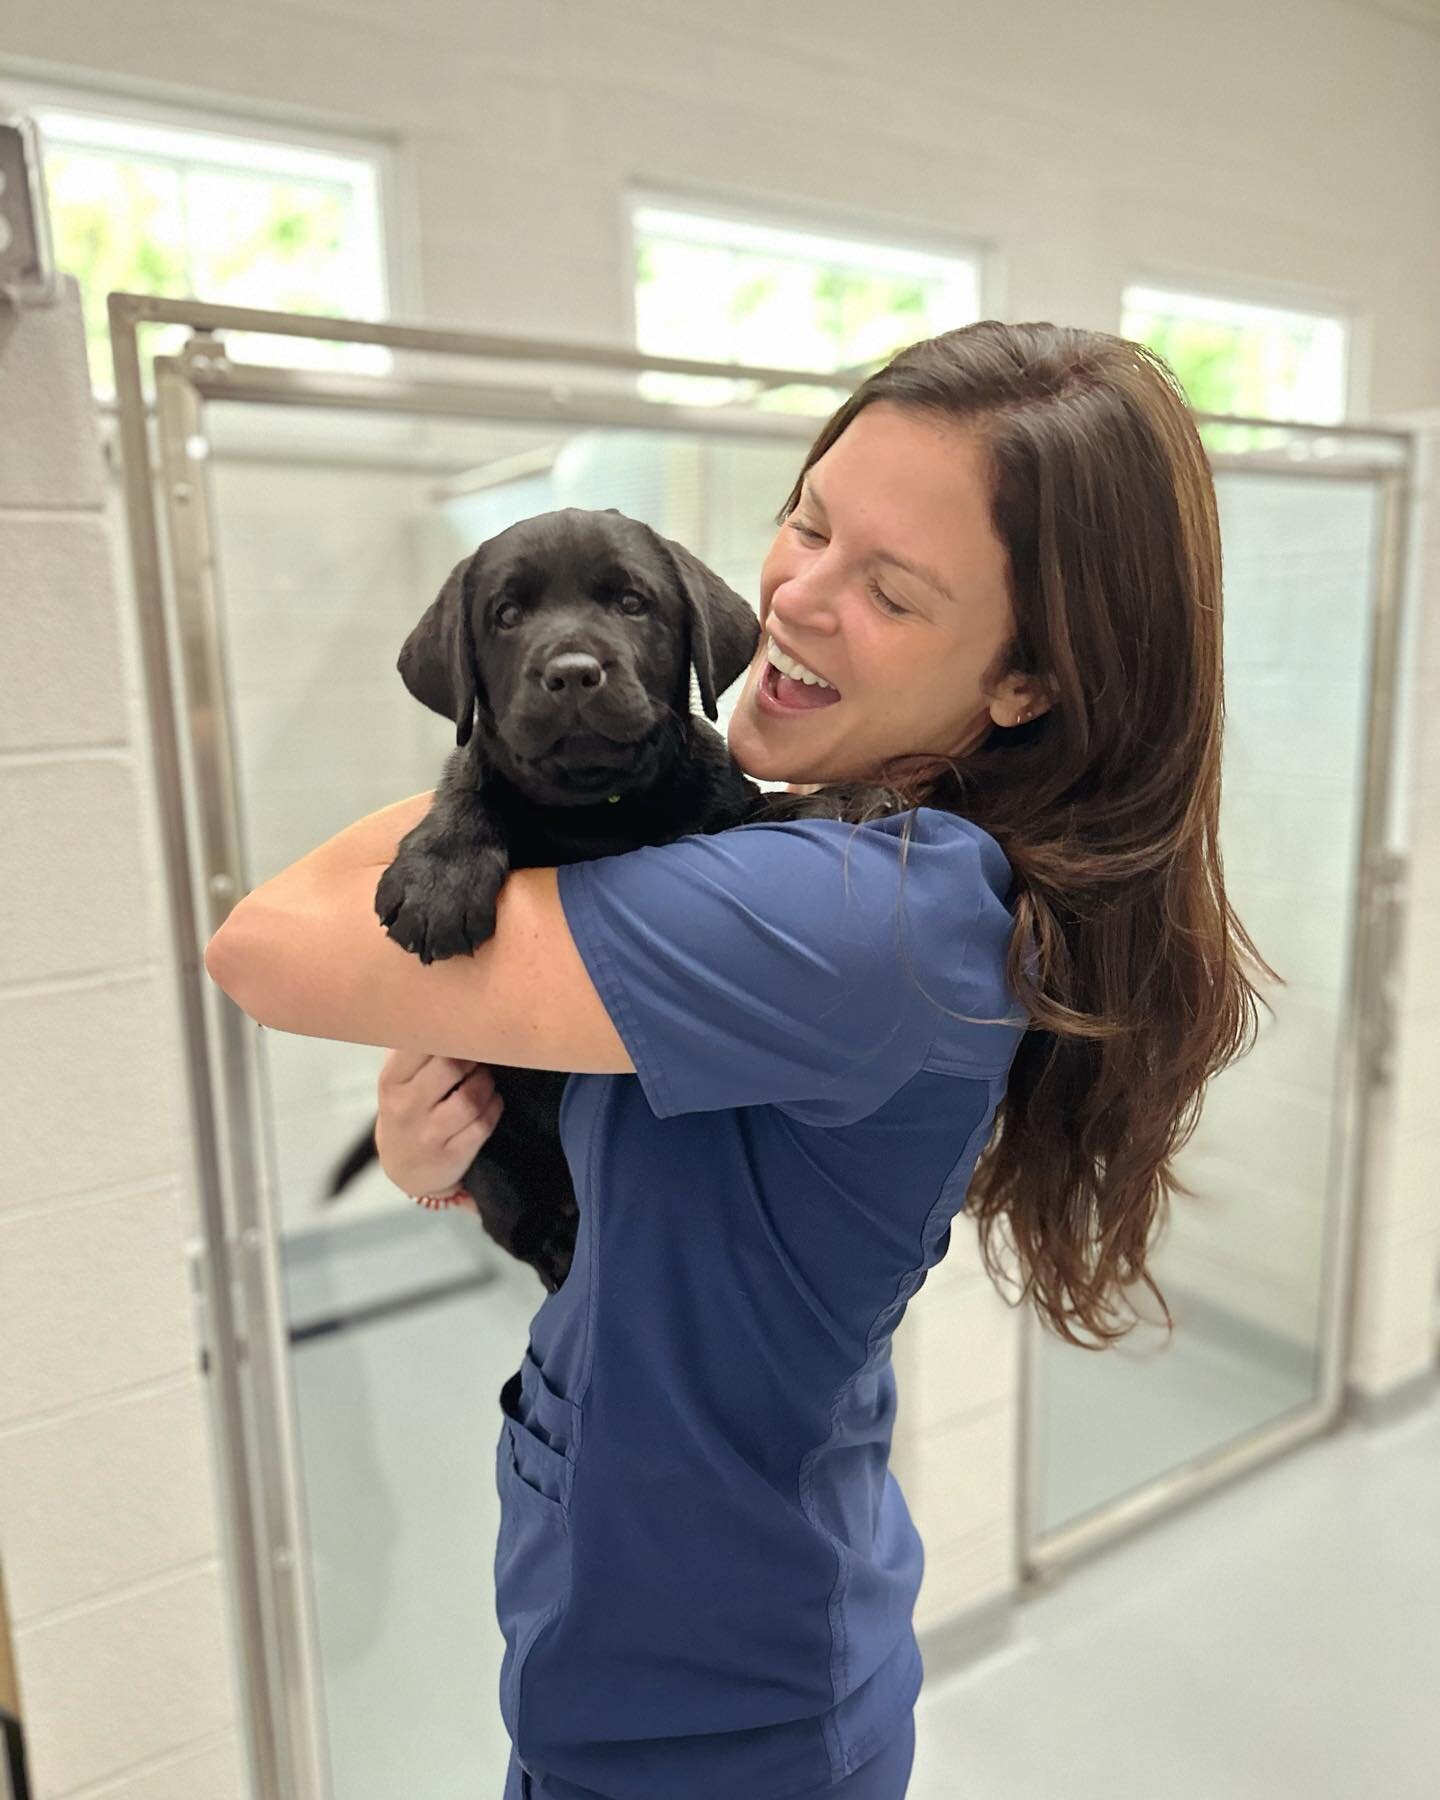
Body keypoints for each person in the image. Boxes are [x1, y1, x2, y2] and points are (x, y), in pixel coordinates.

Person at [371, 320, 1278, 1800]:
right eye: (808, 522)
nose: (796, 595)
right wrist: (451, 1150)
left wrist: (459, 846)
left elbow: (266, 948)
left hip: (712, 1715)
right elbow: (636, 1160)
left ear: (1026, 682)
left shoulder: (863, 909)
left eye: (891, 588)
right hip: (665, 1627)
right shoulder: (814, 850)